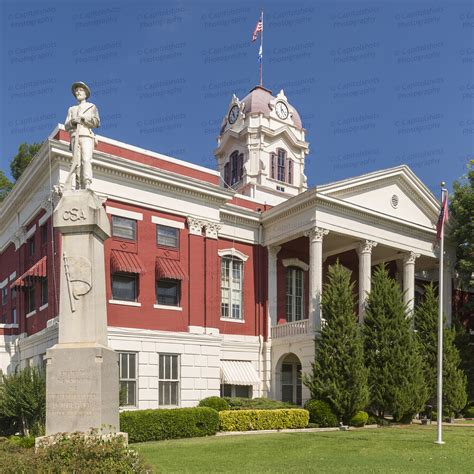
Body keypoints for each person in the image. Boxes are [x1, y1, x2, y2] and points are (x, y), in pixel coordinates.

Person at [64, 82, 100, 190]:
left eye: (80, 90)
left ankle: (87, 183)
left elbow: (96, 122)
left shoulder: (91, 106)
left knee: (86, 159)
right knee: (76, 163)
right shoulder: (71, 109)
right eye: (76, 90)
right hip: (75, 136)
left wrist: (84, 119)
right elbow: (66, 125)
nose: (78, 92)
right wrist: (73, 122)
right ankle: (79, 186)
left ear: (85, 93)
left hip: (86, 135)